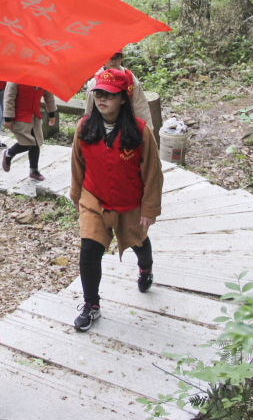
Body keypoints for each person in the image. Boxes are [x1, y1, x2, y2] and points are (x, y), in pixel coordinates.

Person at [69, 69, 163, 332]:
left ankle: (146, 269)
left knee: (139, 243)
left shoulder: (141, 132)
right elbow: (77, 164)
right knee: (89, 251)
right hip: (94, 198)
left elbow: (153, 173)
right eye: (98, 93)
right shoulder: (84, 127)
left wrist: (149, 209)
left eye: (109, 95)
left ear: (123, 98)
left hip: (129, 202)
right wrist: (76, 195)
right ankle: (91, 305)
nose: (102, 99)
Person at [84, 49, 155, 133]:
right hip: (101, 126)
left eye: (117, 57)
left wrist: (147, 130)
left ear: (121, 59)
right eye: (110, 57)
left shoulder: (129, 77)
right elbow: (89, 108)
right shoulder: (96, 80)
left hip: (126, 125)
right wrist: (87, 127)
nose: (113, 61)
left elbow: (140, 105)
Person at [1, 83, 57, 181]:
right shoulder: (16, 79)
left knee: (36, 143)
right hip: (20, 116)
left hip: (34, 116)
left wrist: (51, 113)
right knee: (27, 143)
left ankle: (34, 170)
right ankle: (8, 153)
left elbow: (49, 96)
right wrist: (7, 118)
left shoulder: (41, 79)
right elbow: (9, 98)